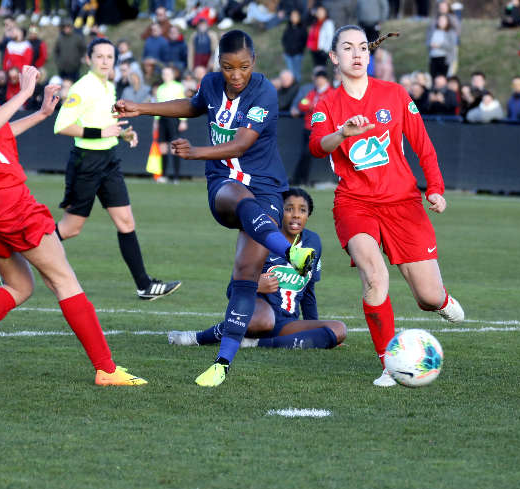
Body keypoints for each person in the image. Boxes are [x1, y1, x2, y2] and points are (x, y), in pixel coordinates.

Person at [0, 22, 145, 385]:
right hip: (3, 197)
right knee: (64, 280)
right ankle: (106, 369)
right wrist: (23, 93)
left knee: (19, 286)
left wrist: (41, 114)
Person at [115, 30, 316, 387]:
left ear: (253, 63)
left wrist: (195, 152)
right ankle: (290, 252)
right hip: (223, 185)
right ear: (217, 64)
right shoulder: (211, 84)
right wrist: (142, 107)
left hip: (267, 188)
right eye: (227, 67)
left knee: (245, 273)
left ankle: (221, 364)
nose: (235, 75)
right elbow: (194, 105)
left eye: (243, 67)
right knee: (236, 195)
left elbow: (241, 144)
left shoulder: (265, 92)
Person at [308, 25, 465, 386]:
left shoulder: (394, 94)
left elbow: (422, 144)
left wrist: (435, 188)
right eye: (347, 48)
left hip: (403, 203)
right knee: (374, 276)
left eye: (362, 47)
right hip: (355, 203)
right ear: (334, 57)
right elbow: (318, 146)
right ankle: (389, 364)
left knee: (426, 296)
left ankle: (440, 301)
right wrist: (343, 132)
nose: (357, 54)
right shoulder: (328, 104)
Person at [52, 37, 181, 301]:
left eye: (109, 57)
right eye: (99, 56)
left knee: (126, 222)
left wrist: (122, 134)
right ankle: (19, 252)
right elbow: (61, 125)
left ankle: (144, 286)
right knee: (71, 229)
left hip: (109, 161)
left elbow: (105, 123)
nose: (104, 61)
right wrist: (101, 132)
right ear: (88, 59)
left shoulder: (109, 85)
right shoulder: (83, 86)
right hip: (86, 163)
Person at [169, 188, 347, 349]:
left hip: (287, 323)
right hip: (258, 317)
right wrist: (256, 284)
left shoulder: (313, 242)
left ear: (308, 215)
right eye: (289, 209)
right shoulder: (262, 238)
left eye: (302, 210)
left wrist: (314, 330)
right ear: (279, 211)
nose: (295, 215)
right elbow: (232, 290)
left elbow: (309, 292)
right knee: (263, 320)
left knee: (339, 329)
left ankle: (257, 343)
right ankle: (197, 337)